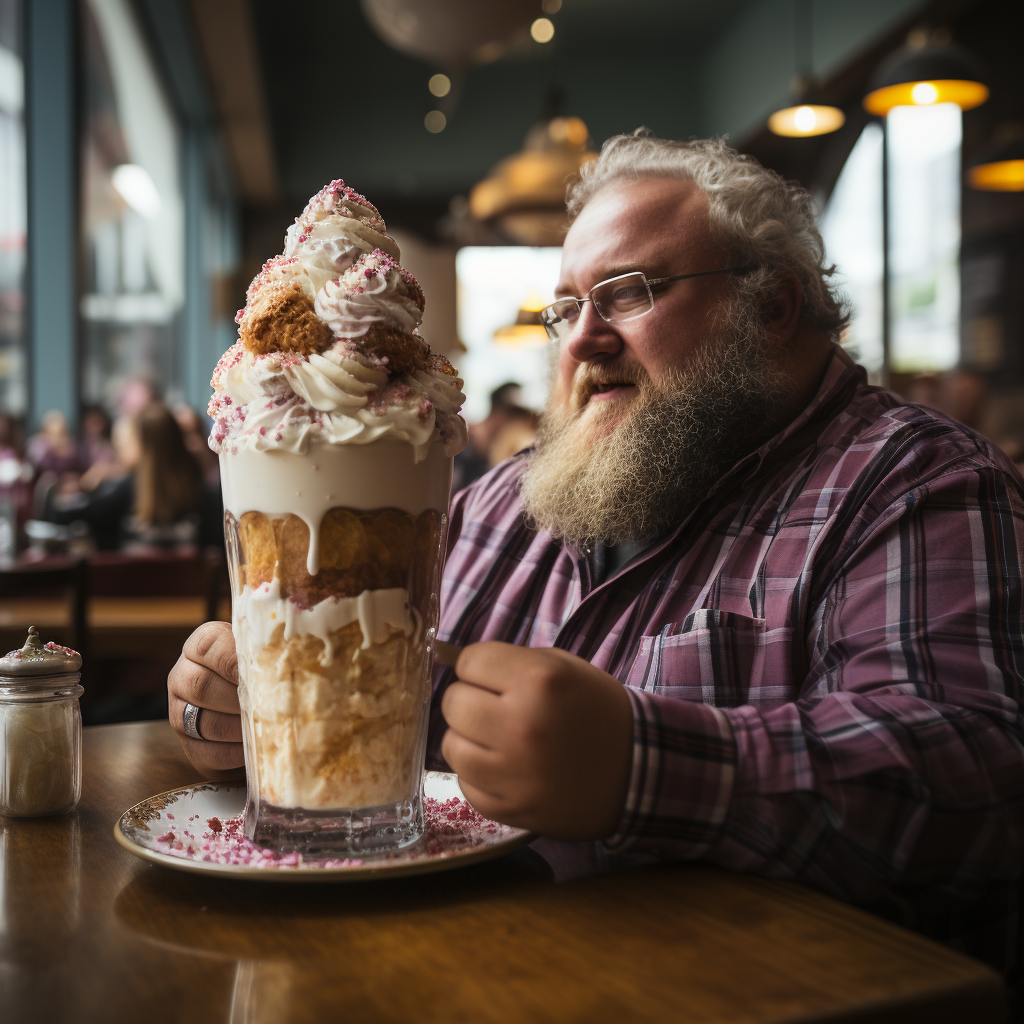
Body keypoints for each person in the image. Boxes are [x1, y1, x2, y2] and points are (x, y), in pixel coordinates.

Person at [167, 134, 1024, 985]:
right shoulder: (501, 506)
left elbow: (979, 777)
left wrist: (642, 766)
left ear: (772, 308)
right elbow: (379, 718)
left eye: (626, 294)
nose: (582, 339)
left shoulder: (913, 482)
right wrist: (256, 715)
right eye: (566, 308)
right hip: (463, 979)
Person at [47, 400, 221, 550]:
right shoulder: (203, 495)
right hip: (191, 588)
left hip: (132, 588)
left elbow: (69, 515)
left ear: (141, 443)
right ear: (176, 438)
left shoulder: (126, 491)